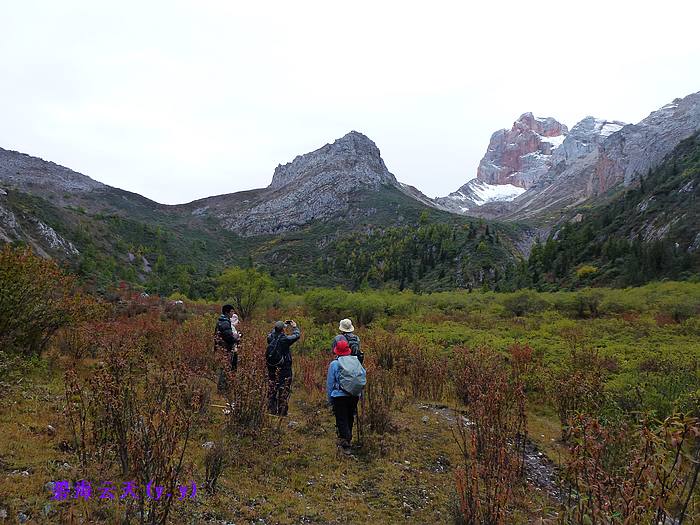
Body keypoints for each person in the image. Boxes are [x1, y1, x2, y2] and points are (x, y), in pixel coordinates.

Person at [326, 338, 365, 453]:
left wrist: (330, 399)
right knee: (349, 417)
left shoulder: (335, 364)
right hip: (354, 394)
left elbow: (330, 383)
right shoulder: (356, 361)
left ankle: (346, 442)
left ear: (336, 351)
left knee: (341, 418)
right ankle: (347, 439)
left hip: (339, 396)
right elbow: (363, 375)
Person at [266, 320, 300, 416]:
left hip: (272, 367)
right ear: (283, 330)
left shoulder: (270, 337)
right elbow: (296, 335)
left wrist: (280, 326)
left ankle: (271, 410)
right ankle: (282, 412)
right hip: (284, 367)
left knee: (272, 387)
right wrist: (294, 327)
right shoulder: (284, 340)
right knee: (284, 388)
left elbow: (273, 332)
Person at [214, 304, 241, 393]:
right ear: (227, 312)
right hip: (225, 348)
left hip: (221, 348)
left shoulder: (221, 321)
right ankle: (222, 389)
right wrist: (236, 338)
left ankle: (223, 388)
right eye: (232, 311)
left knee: (224, 367)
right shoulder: (225, 323)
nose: (233, 313)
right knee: (225, 368)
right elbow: (229, 337)